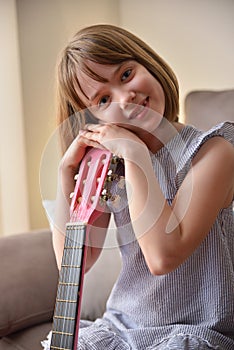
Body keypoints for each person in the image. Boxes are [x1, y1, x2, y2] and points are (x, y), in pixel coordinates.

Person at [42, 24, 234, 350]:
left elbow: (164, 257)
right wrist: (66, 174)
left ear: (149, 64)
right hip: (123, 325)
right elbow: (75, 261)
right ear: (93, 121)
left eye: (127, 74)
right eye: (103, 99)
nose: (125, 96)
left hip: (196, 328)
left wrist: (135, 154)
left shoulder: (214, 152)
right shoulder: (109, 167)